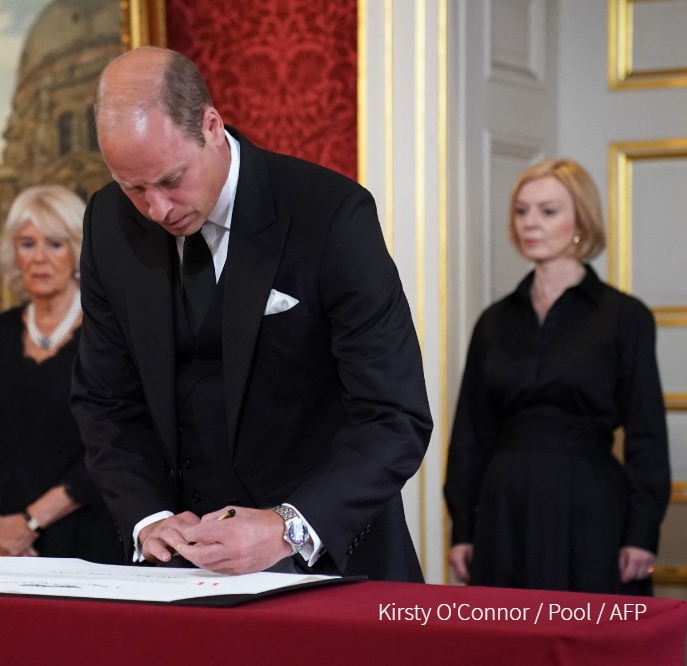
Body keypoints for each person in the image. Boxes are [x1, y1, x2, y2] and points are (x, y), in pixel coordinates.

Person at [70, 47, 432, 579]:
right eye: (134, 188)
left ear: (212, 127)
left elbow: (395, 417)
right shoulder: (107, 221)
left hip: (330, 567)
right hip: (177, 576)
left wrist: (287, 528)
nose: (157, 209)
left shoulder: (330, 214)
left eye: (171, 180)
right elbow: (105, 401)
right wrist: (149, 518)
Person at [444, 158, 670, 594]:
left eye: (548, 211)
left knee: (588, 630)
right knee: (506, 632)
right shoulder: (493, 321)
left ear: (581, 221)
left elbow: (647, 435)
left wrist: (642, 532)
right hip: (504, 508)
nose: (530, 222)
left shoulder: (624, 316)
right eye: (521, 211)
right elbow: (471, 434)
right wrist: (463, 529)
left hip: (590, 503)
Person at [0, 185, 122, 564]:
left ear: (77, 250)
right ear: (13, 253)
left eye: (55, 244)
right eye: (27, 244)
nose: (39, 257)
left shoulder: (110, 333)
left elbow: (115, 444)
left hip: (82, 544)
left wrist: (28, 524)